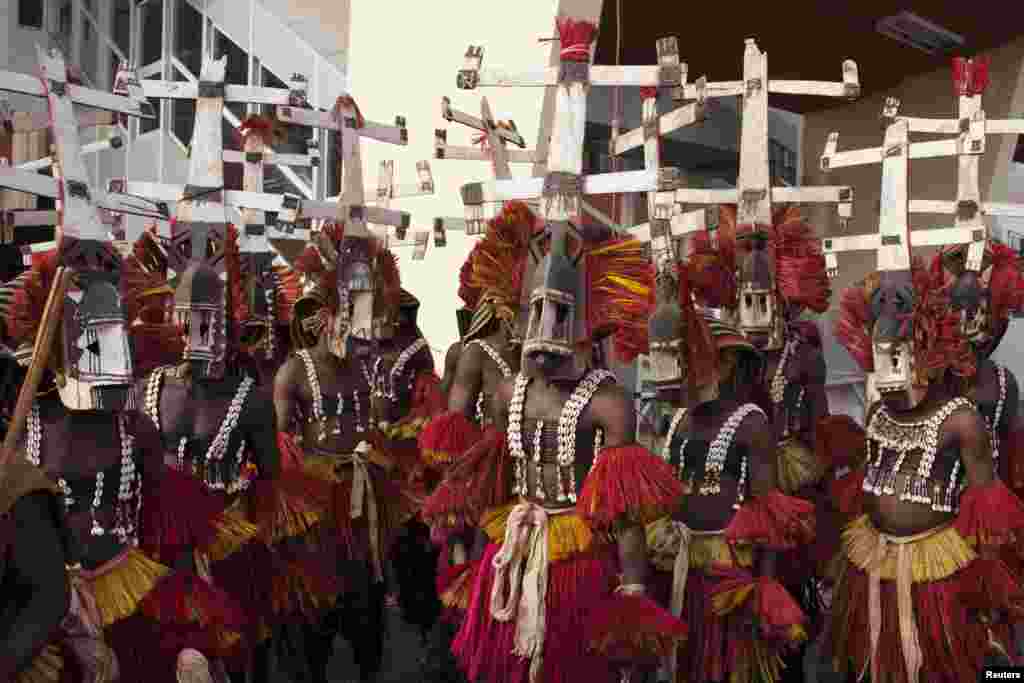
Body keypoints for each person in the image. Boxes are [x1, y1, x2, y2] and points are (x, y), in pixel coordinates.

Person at [451, 219, 686, 683]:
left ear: (581, 322)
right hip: (513, 552)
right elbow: (494, 488)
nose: (545, 329)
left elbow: (625, 514)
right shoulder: (504, 393)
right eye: (536, 310)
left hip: (579, 565)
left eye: (559, 312)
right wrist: (475, 564)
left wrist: (633, 595)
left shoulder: (608, 402)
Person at [826, 262, 1024, 683]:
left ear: (924, 355)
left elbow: (986, 516)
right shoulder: (878, 413)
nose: (889, 372)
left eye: (897, 356)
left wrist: (987, 604)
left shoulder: (963, 420)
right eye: (879, 359)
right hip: (873, 560)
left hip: (937, 570)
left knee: (938, 663)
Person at [645, 233, 814, 683]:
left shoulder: (752, 423)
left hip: (731, 573)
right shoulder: (675, 417)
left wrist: (764, 588)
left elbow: (768, 515)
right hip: (679, 563)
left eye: (708, 360)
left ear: (729, 367)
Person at [274, 221, 409, 683]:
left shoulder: (369, 366)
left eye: (364, 318)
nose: (358, 330)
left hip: (365, 499)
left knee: (367, 603)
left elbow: (381, 423)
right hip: (317, 512)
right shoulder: (294, 372)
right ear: (325, 315)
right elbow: (279, 450)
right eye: (349, 317)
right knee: (316, 618)